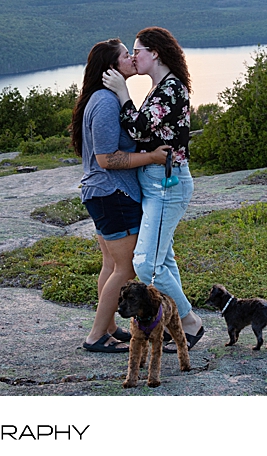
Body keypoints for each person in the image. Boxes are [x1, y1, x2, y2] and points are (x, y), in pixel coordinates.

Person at [101, 26, 204, 351]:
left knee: (146, 264)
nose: (133, 57)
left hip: (166, 185)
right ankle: (184, 324)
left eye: (138, 51)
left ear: (154, 52)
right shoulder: (161, 86)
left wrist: (121, 93)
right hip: (155, 182)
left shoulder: (170, 88)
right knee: (164, 259)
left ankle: (188, 322)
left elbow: (139, 127)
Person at [71, 39, 170, 353]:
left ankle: (109, 328)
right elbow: (106, 158)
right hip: (113, 194)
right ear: (112, 66)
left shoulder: (106, 98)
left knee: (111, 265)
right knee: (126, 269)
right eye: (127, 55)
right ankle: (97, 336)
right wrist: (153, 157)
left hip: (104, 194)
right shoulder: (105, 102)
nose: (132, 57)